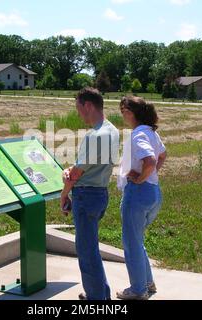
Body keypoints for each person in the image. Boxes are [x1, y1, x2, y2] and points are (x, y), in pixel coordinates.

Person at [60, 87, 119, 300]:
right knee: (91, 247)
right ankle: (100, 293)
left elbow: (75, 175)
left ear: (88, 105)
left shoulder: (95, 135)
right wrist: (74, 170)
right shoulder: (112, 130)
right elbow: (86, 166)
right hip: (100, 192)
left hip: (86, 196)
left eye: (79, 108)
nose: (78, 114)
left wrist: (63, 194)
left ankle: (96, 300)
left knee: (86, 251)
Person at [116, 96, 167, 300]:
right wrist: (151, 175)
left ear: (130, 112)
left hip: (138, 194)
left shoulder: (138, 135)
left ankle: (138, 290)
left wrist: (139, 178)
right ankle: (147, 283)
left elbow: (151, 159)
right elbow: (162, 156)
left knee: (131, 243)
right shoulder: (151, 132)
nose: (122, 114)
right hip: (153, 192)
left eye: (123, 110)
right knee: (137, 240)